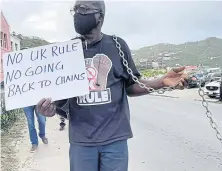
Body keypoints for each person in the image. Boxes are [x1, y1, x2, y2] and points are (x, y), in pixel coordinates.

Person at [36, 1, 188, 171]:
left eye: (84, 9)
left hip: (115, 140)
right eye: (75, 9)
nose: (78, 13)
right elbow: (59, 98)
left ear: (100, 16)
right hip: (82, 141)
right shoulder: (67, 51)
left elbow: (132, 85)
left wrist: (162, 81)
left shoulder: (117, 46)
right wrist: (51, 109)